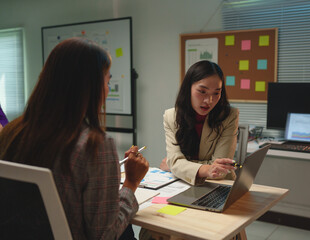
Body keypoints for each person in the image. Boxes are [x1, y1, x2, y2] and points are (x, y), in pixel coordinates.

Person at [0, 38, 149, 240]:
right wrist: (131, 183)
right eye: (107, 81)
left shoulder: (13, 132)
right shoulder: (94, 145)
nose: (108, 89)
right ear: (91, 87)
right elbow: (105, 235)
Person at [161, 60, 239, 185]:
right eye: (202, 91)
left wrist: (176, 167)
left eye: (216, 93)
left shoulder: (229, 116)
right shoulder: (171, 117)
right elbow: (175, 162)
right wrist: (176, 165)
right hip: (184, 185)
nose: (209, 100)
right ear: (188, 88)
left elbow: (221, 170)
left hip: (221, 185)